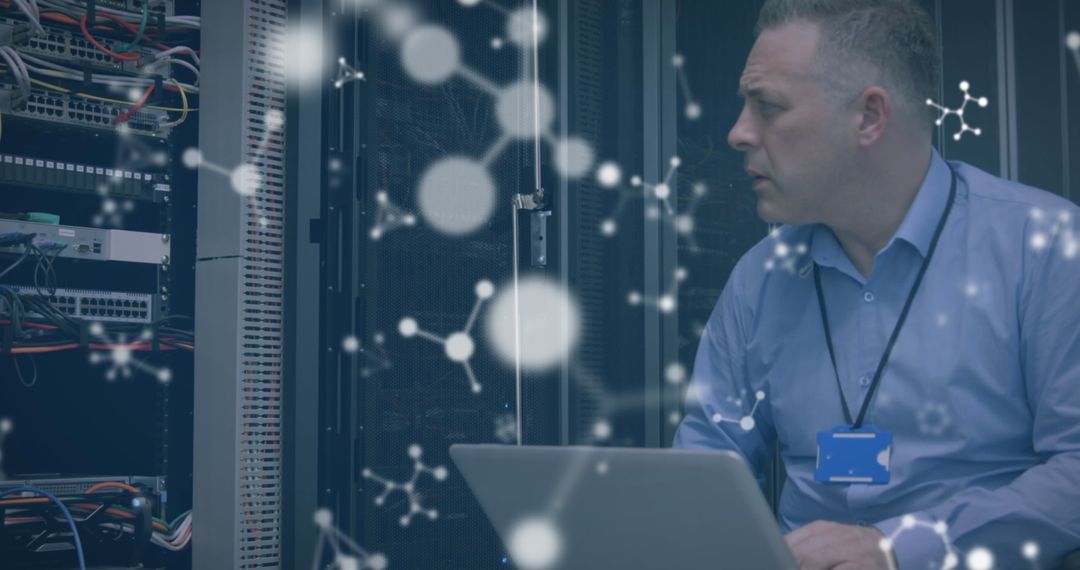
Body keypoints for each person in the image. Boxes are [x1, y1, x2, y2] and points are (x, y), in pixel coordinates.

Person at [672, 1, 1080, 569]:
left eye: (767, 107)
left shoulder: (1048, 249)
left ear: (868, 117)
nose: (738, 133)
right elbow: (707, 470)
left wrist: (901, 548)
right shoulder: (760, 279)